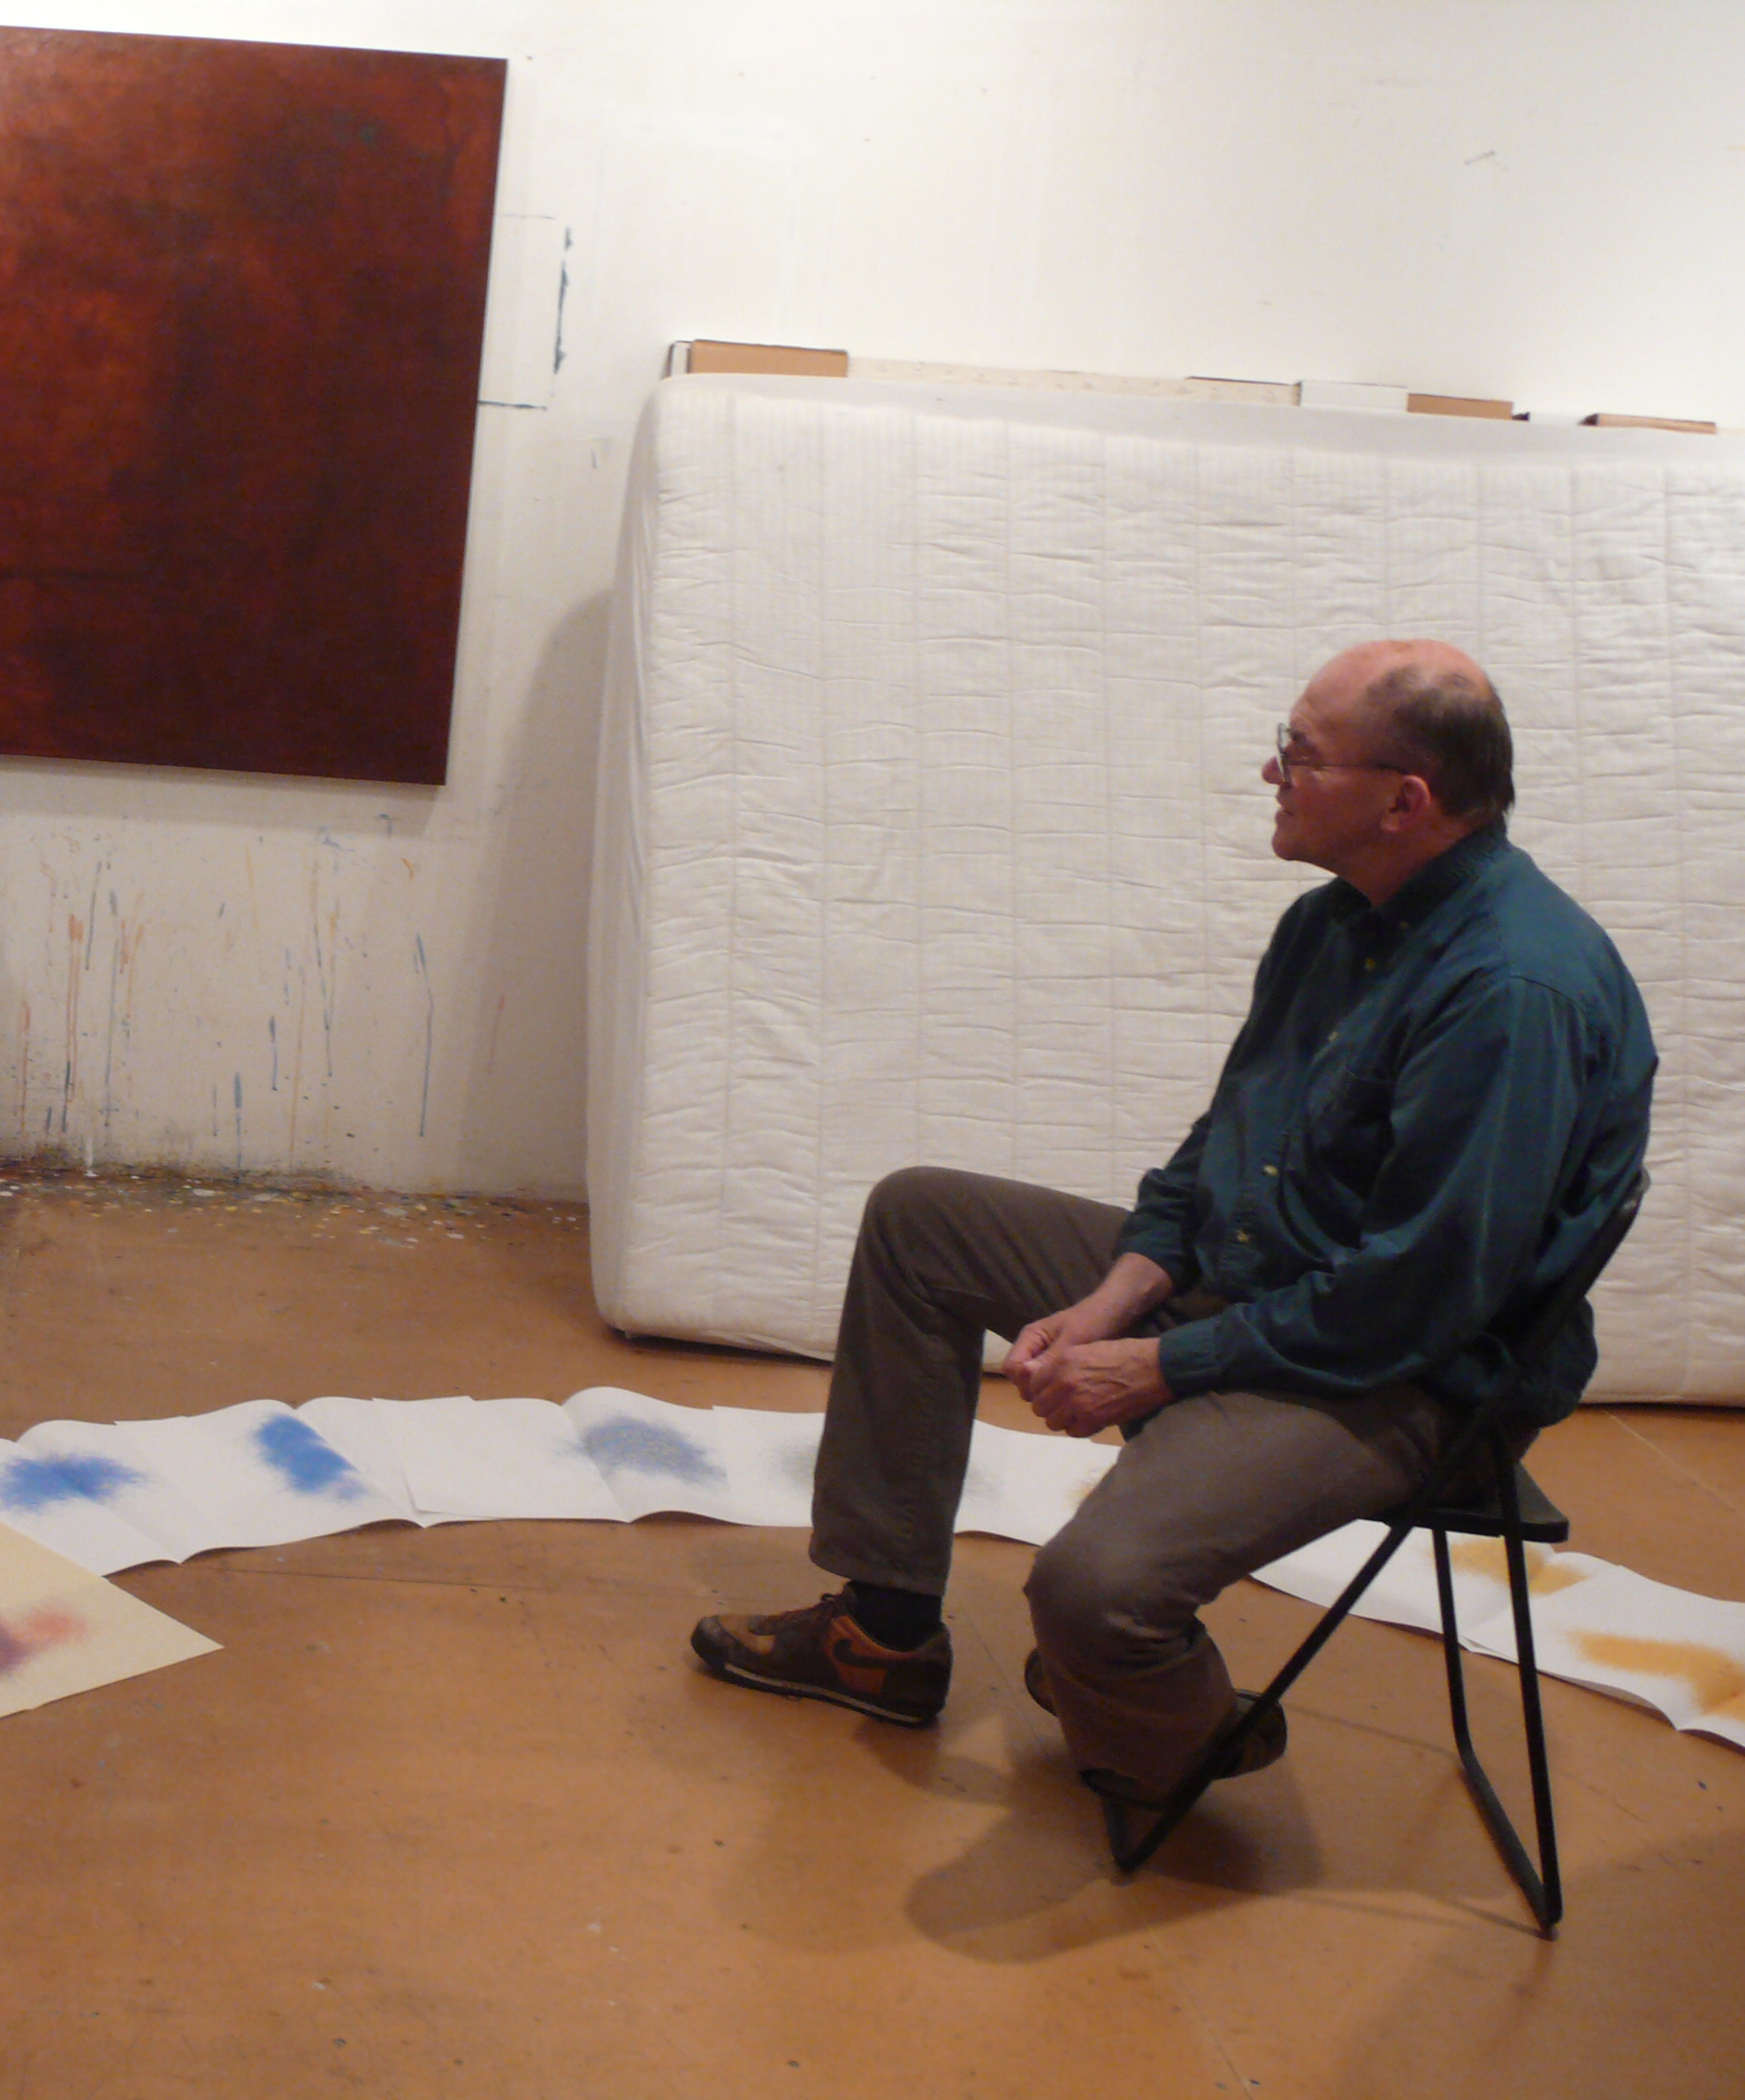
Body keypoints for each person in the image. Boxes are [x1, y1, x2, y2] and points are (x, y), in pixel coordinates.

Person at [688, 639, 1652, 1808]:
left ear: (1407, 800)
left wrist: (1159, 1365)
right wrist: (1118, 1293)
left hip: (1410, 1376)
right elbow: (1222, 1152)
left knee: (1094, 1591)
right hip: (1274, 1288)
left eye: (1301, 753)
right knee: (921, 1223)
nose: (1271, 773)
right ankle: (883, 1636)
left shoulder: (1511, 990)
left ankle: (1171, 1726)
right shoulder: (1332, 925)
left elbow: (1417, 1297)